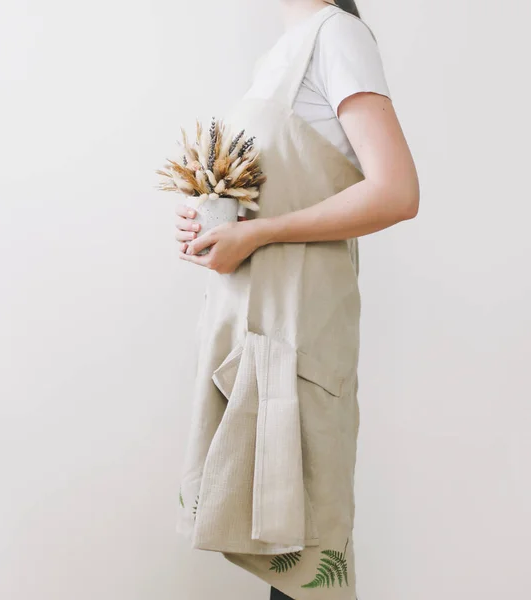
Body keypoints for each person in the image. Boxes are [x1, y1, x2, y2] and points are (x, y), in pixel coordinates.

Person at [174, 2, 419, 599]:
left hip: (297, 340)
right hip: (257, 340)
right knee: (282, 559)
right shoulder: (278, 59)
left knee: (306, 569)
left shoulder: (336, 35)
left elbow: (397, 190)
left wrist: (255, 233)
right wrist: (213, 223)